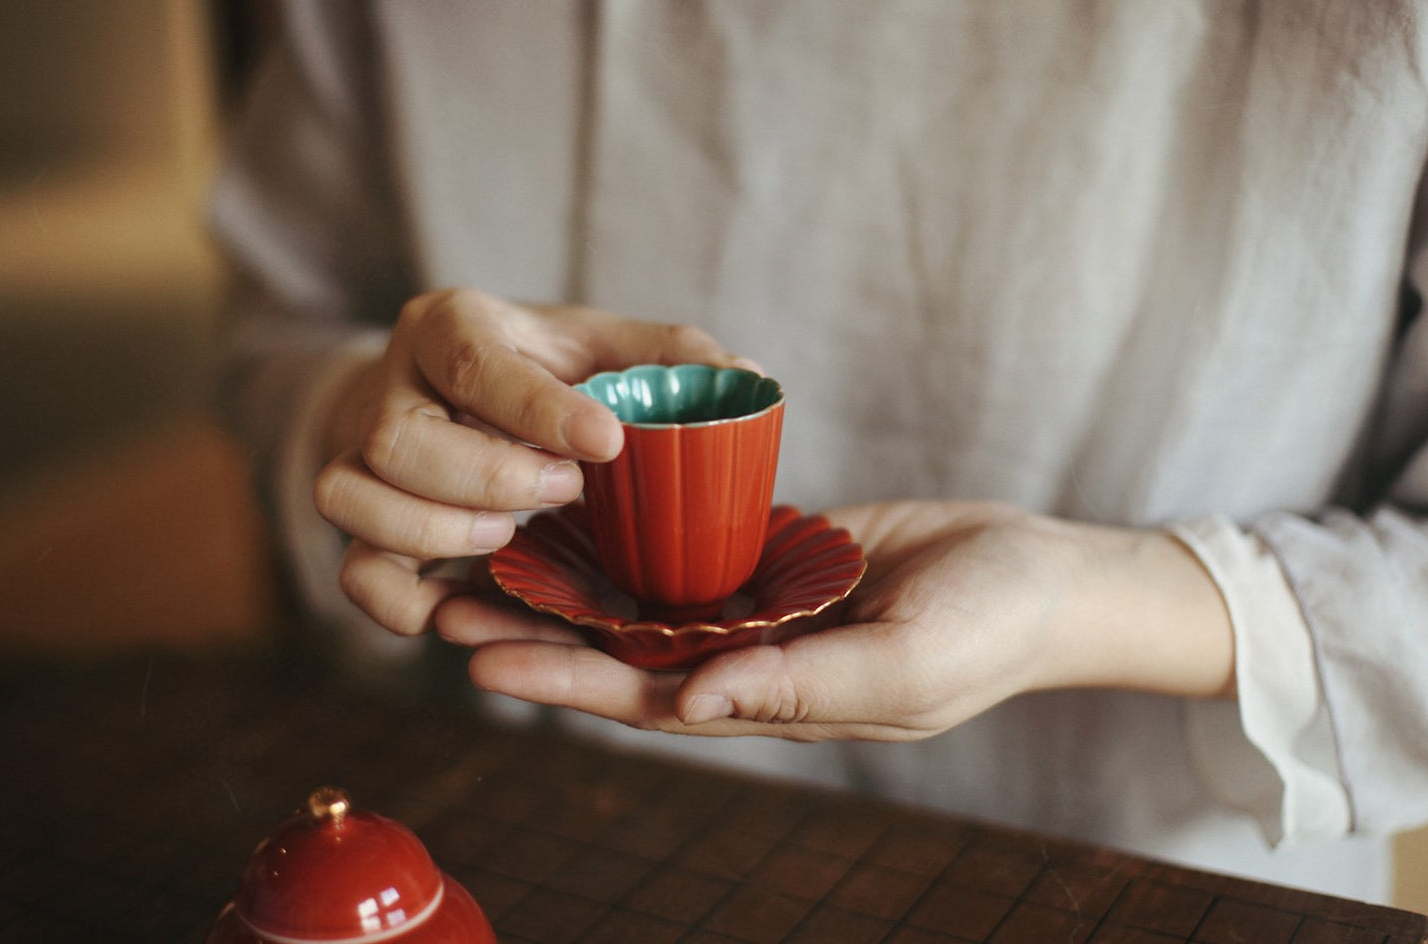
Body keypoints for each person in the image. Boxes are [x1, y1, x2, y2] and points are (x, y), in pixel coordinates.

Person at [210, 1, 1428, 904]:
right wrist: (361, 426)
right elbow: (278, 326)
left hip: (1157, 874)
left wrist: (1083, 599)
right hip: (538, 830)